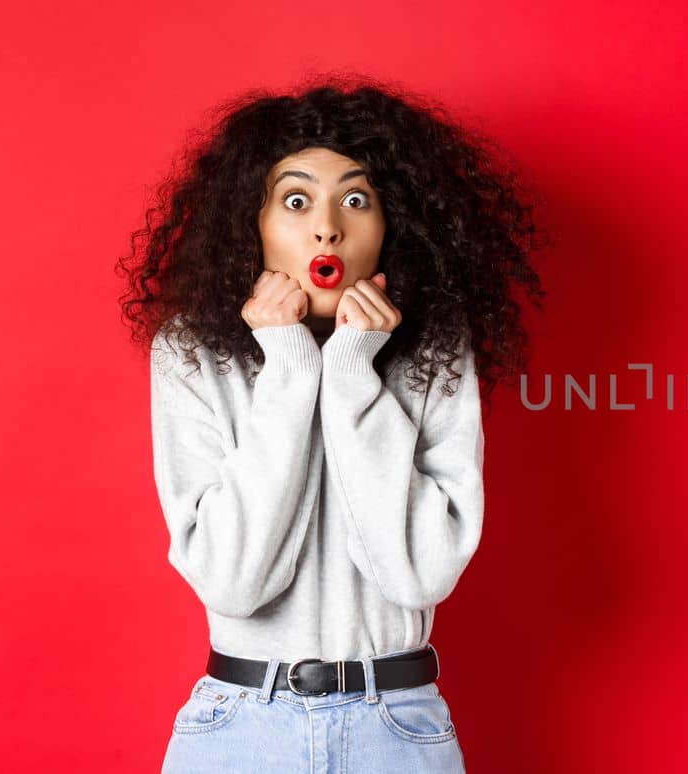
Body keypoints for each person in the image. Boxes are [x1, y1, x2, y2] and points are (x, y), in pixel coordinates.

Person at [116, 73, 545, 772]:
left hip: (397, 727)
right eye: (295, 200)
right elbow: (233, 584)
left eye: (355, 199)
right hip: (239, 727)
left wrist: (350, 371)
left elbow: (418, 574)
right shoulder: (192, 353)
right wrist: (288, 368)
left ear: (393, 225)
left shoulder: (433, 351)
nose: (327, 226)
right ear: (250, 225)